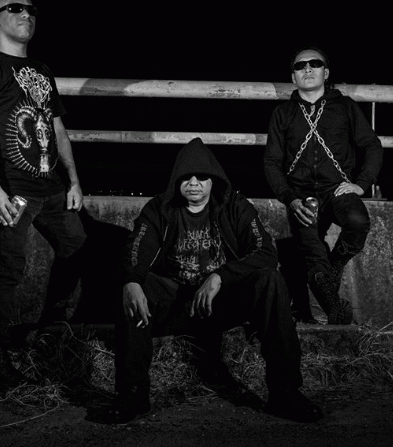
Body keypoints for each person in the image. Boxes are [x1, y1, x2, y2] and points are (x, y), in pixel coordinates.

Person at [107, 137, 323, 424]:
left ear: (214, 180)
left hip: (221, 303)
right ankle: (132, 394)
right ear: (176, 180)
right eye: (187, 177)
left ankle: (285, 393)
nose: (194, 183)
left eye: (202, 177)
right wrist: (131, 281)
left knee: (270, 280)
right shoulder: (159, 208)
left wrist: (220, 276)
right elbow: (135, 249)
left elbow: (265, 252)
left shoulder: (234, 206)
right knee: (134, 287)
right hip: (176, 303)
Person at [0, 0, 86, 392]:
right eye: (14, 8)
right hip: (13, 190)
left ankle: (51, 329)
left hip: (51, 187)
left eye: (31, 9)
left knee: (77, 246)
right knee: (7, 272)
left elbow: (57, 128)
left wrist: (73, 180)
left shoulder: (41, 69)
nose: (25, 14)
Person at [264, 46, 383, 325]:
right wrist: (290, 198)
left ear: (325, 73)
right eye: (300, 66)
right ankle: (336, 313)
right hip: (301, 195)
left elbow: (372, 145)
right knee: (314, 258)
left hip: (337, 189)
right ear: (293, 77)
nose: (307, 68)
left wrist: (361, 184)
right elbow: (271, 162)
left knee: (357, 221)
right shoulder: (283, 113)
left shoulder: (345, 107)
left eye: (314, 64)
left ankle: (336, 264)